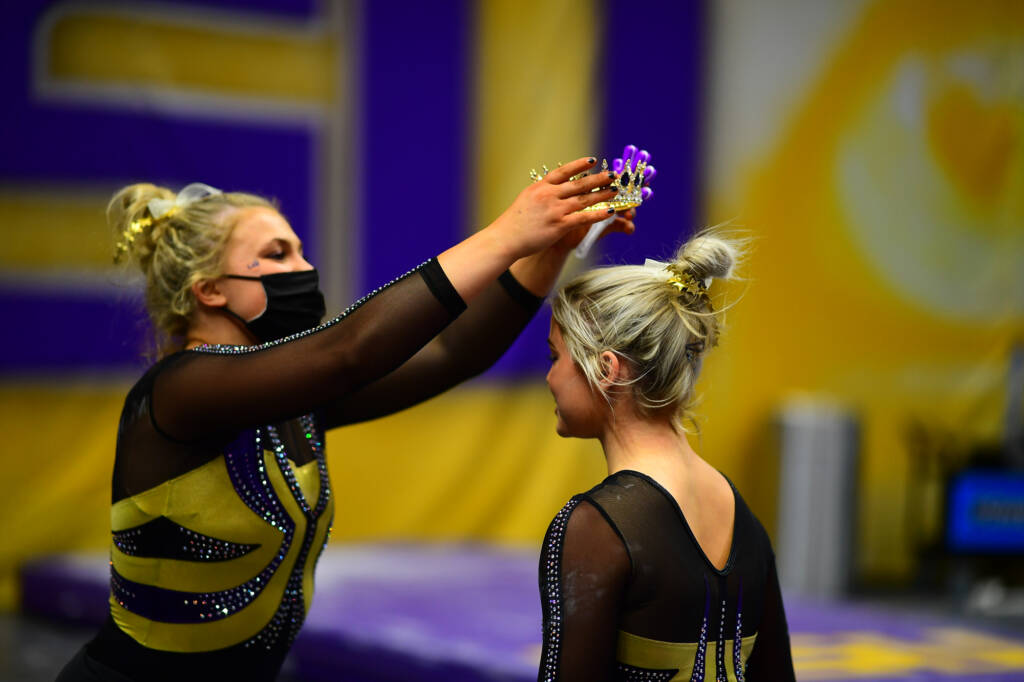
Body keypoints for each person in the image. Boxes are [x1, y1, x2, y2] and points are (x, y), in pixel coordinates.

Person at [56, 157, 634, 682]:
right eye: (279, 254)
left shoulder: (291, 402)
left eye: (302, 251)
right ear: (209, 291)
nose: (305, 268)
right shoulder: (182, 392)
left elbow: (455, 355)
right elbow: (349, 353)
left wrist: (546, 251)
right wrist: (507, 235)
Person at [537, 230, 796, 681]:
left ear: (605, 368)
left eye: (555, 356)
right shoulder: (741, 515)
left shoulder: (595, 528)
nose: (549, 378)